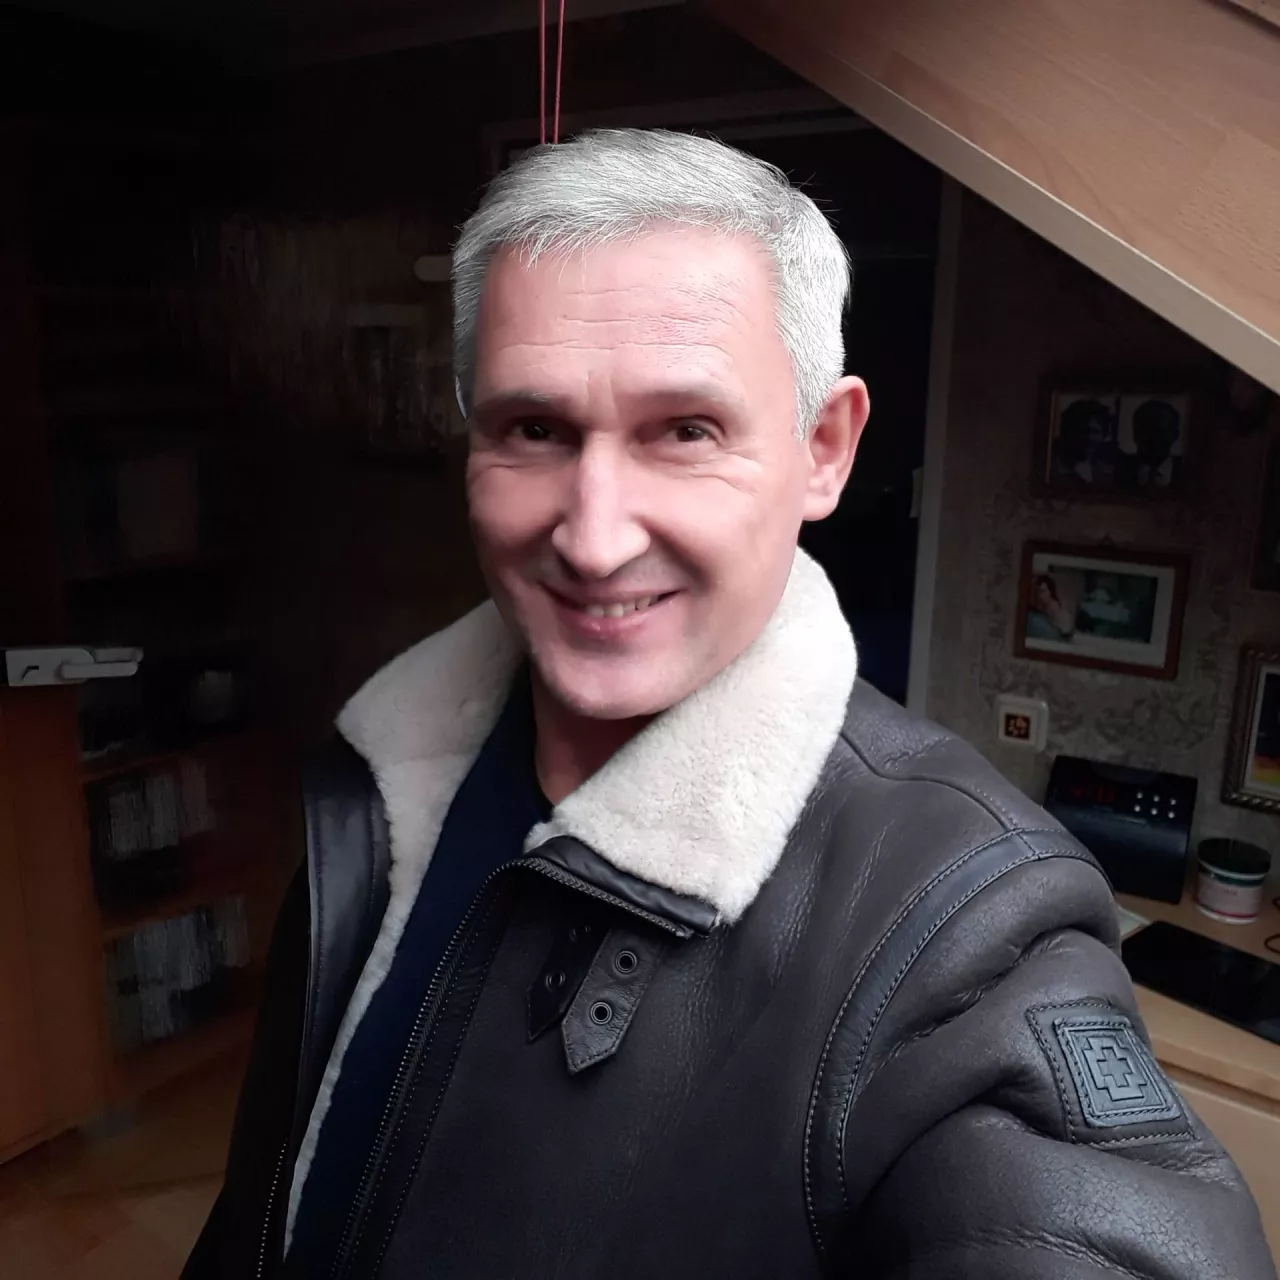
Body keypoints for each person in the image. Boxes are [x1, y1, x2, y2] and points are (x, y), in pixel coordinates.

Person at [185, 130, 1274, 1279]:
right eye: (534, 429)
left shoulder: (963, 919)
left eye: (684, 431)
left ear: (823, 449)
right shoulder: (381, 775)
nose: (593, 537)